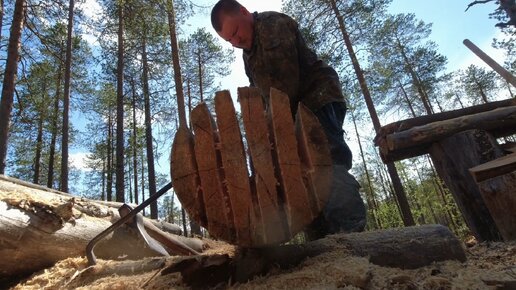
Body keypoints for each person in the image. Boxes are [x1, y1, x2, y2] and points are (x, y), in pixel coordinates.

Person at [211, 0, 366, 240]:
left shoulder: (272, 25)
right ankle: (321, 243)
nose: (235, 41)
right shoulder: (247, 54)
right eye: (229, 40)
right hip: (290, 113)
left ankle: (353, 234)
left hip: (316, 100)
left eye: (235, 32)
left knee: (325, 161)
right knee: (299, 173)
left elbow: (284, 85)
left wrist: (266, 130)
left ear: (243, 12)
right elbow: (262, 94)